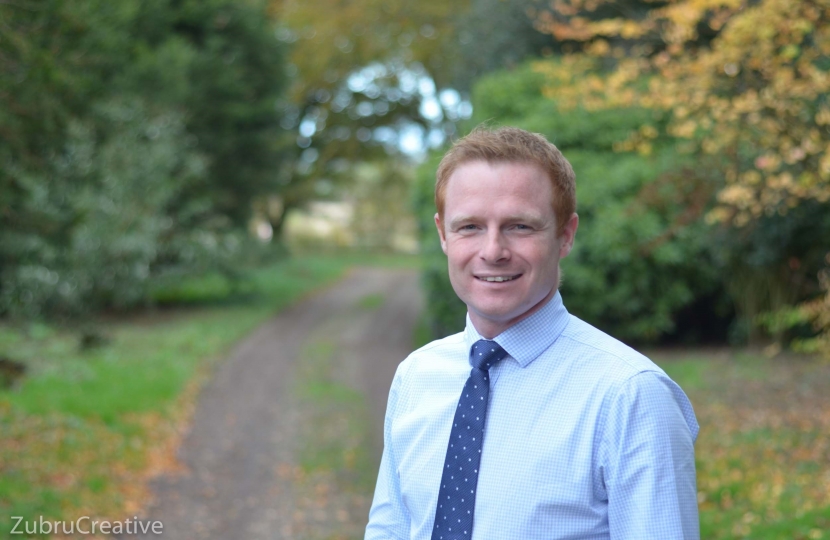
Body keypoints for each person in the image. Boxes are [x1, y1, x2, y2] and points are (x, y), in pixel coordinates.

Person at [365, 126, 700, 540]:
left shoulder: (629, 396)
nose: (493, 251)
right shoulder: (415, 377)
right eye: (469, 226)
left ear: (565, 235)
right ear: (442, 235)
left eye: (520, 226)